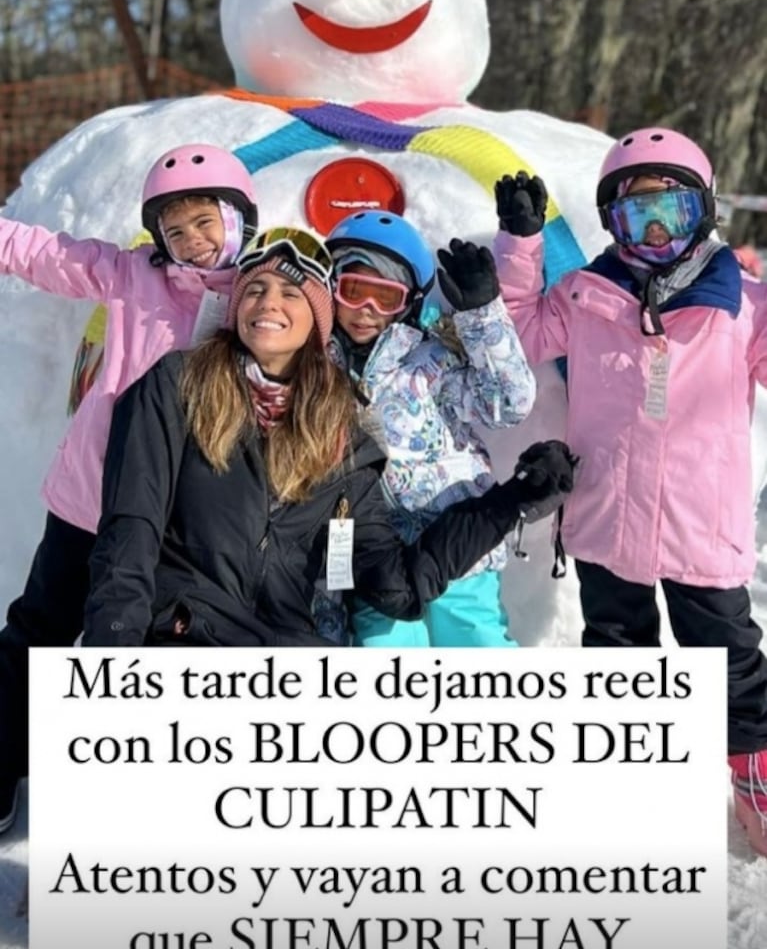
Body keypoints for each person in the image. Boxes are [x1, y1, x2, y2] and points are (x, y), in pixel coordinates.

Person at [82, 227, 574, 649]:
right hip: (187, 642)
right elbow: (132, 526)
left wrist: (511, 500)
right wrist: (118, 652)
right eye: (254, 290)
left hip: (308, 633)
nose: (269, 304)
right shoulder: (179, 386)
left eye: (291, 294)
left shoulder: (337, 423)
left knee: (474, 647)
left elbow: (397, 583)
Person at [494, 127, 767, 857]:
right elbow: (519, 335)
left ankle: (755, 780)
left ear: (702, 212)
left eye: (668, 213)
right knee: (616, 648)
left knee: (729, 659)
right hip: (607, 514)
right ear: (609, 221)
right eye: (631, 215)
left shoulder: (743, 301)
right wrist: (520, 246)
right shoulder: (585, 291)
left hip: (698, 522)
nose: (650, 231)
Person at [0, 144, 257, 832]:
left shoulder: (261, 296)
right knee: (38, 631)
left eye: (206, 221)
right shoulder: (132, 276)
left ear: (239, 217)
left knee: (152, 656)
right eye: (175, 232)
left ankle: (134, 809)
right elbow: (43, 252)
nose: (192, 241)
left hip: (179, 521)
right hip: (92, 498)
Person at [325, 211, 536, 647]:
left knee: (476, 647)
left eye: (385, 297)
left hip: (455, 548)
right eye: (354, 291)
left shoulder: (430, 361)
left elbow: (508, 404)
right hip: (376, 559)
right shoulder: (316, 369)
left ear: (409, 302)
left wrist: (483, 316)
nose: (366, 311)